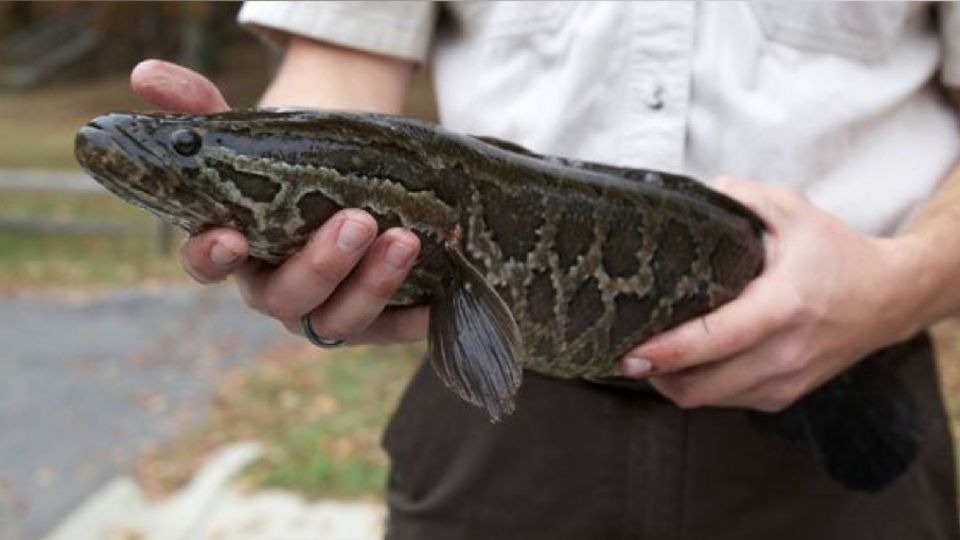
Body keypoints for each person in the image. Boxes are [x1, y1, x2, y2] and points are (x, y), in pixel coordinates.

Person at [131, 2, 960, 538]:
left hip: (850, 407)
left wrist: (902, 282)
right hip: (499, 416)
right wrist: (257, 163)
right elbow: (344, 63)